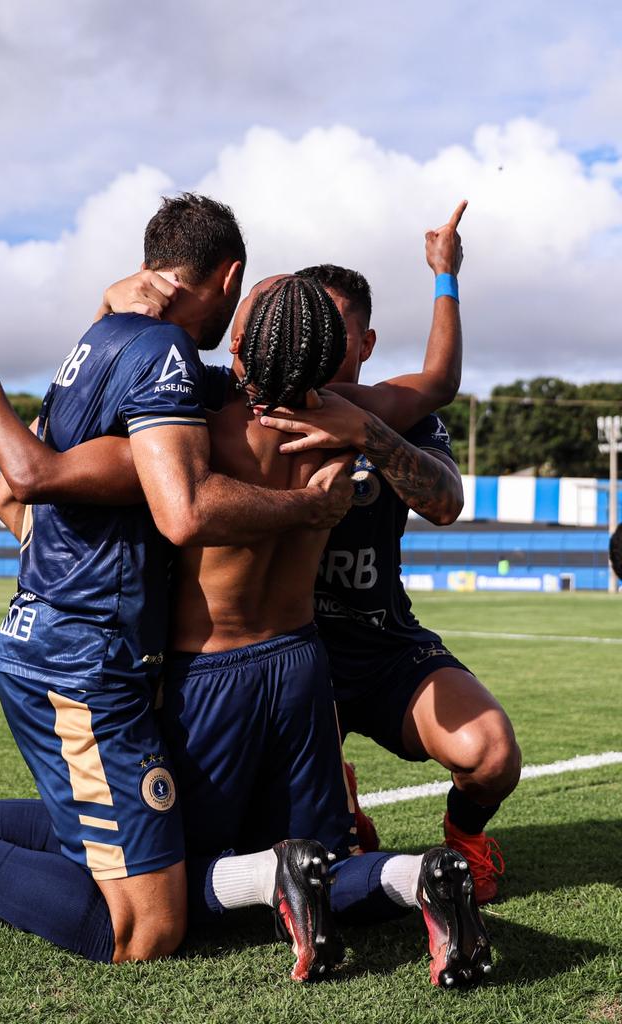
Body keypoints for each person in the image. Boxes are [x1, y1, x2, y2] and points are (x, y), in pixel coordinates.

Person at [0, 194, 355, 978]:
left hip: (80, 645)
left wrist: (66, 568)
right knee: (144, 931)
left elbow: (14, 492)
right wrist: (310, 505)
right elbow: (167, 506)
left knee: (111, 837)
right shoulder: (162, 356)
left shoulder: (103, 337)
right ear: (228, 278)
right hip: (81, 660)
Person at [245, 256, 519, 904]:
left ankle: (466, 836)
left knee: (492, 754)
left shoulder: (397, 410)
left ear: (365, 344)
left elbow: (447, 502)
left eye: (333, 331)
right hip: (295, 652)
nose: (315, 342)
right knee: (295, 835)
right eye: (303, 324)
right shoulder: (257, 408)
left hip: (382, 642)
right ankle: (341, 804)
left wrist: (368, 434)